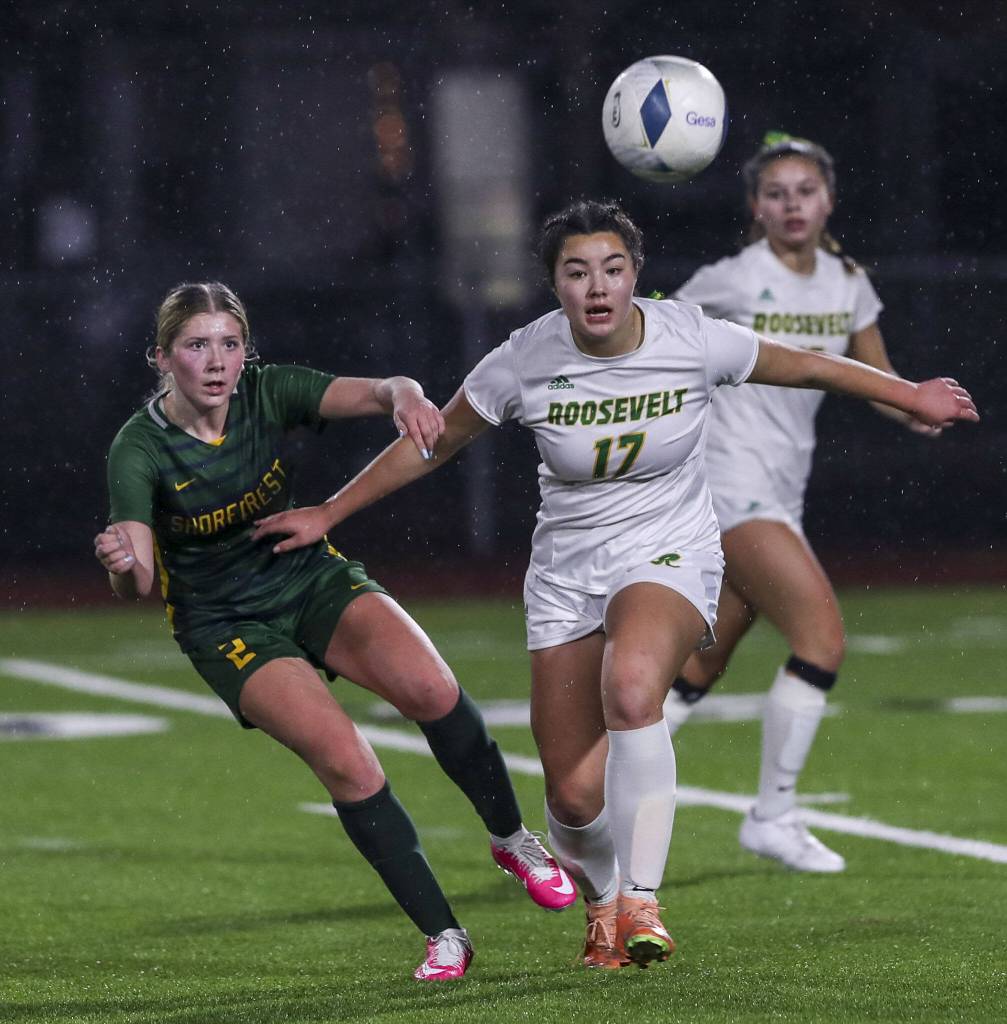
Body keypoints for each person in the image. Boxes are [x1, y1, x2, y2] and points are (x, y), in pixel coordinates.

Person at [251, 201, 977, 970]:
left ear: (636, 275)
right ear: (554, 285)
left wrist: (909, 394)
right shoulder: (521, 360)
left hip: (669, 552)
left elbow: (805, 363)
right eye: (576, 272)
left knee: (631, 688)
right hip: (566, 574)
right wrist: (330, 510)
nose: (596, 287)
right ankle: (600, 904)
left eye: (612, 268)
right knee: (568, 799)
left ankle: (641, 899)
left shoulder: (689, 335)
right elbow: (430, 447)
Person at [93, 281, 576, 984]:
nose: (217, 360)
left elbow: (385, 388)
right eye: (197, 345)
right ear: (162, 359)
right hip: (224, 622)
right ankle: (445, 935)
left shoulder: (267, 390)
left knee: (432, 688)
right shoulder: (137, 449)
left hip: (303, 573)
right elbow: (136, 580)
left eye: (229, 343)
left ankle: (513, 841)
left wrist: (407, 396)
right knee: (348, 760)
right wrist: (119, 564)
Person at [659, 132, 946, 872]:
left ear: (828, 200)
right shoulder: (726, 279)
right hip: (724, 482)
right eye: (777, 193)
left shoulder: (847, 282)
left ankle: (585, 798)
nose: (792, 204)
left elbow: (874, 377)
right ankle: (773, 814)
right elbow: (652, 342)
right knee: (820, 639)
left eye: (805, 191)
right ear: (755, 206)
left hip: (780, 487)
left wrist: (911, 409)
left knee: (695, 666)